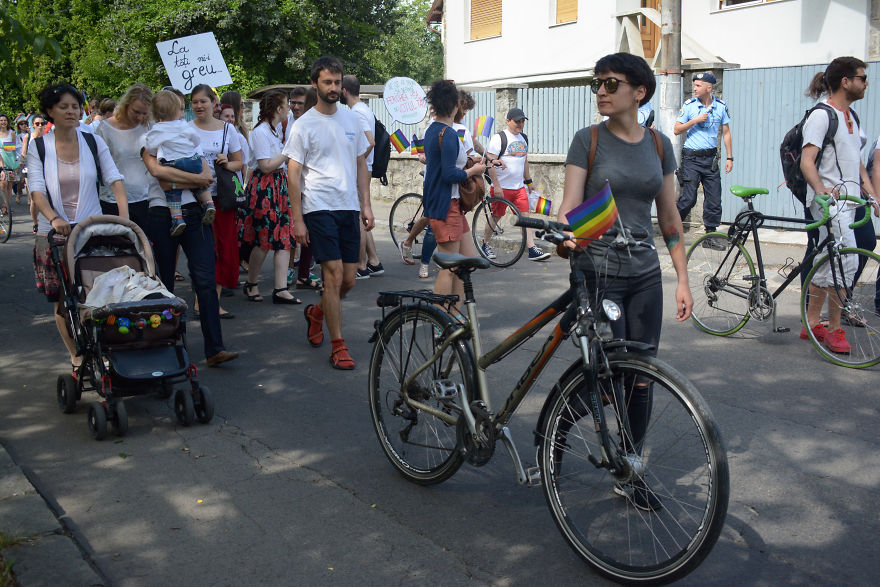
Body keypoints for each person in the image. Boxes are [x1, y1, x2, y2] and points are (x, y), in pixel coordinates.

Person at [557, 53, 692, 511]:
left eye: (611, 83)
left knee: (641, 379)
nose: (601, 91)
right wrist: (569, 233)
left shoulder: (659, 145)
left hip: (645, 276)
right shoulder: (588, 140)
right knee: (608, 376)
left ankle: (631, 471)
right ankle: (555, 432)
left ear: (639, 92)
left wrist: (682, 279)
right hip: (598, 272)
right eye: (597, 83)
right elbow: (569, 206)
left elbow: (669, 216)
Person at [28, 83, 128, 368]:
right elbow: (37, 190)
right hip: (54, 233)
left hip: (90, 229)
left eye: (75, 106)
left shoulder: (93, 142)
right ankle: (76, 353)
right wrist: (54, 218)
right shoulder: (39, 147)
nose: (71, 111)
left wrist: (124, 220)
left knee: (100, 292)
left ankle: (105, 346)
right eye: (64, 107)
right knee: (63, 300)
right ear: (50, 111)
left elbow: (115, 180)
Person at [284, 56, 374, 370]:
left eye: (337, 82)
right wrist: (297, 219)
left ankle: (317, 312)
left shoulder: (351, 119)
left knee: (349, 280)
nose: (333, 88)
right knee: (333, 275)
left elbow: (361, 163)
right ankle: (338, 346)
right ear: (315, 84)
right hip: (318, 207)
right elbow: (293, 173)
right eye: (327, 82)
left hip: (348, 207)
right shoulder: (303, 125)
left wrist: (366, 204)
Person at [141, 90, 239, 368]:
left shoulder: (186, 135)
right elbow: (159, 176)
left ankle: (215, 348)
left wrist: (183, 179)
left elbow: (206, 175)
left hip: (194, 214)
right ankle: (170, 346)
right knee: (165, 284)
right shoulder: (150, 140)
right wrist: (194, 180)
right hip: (162, 214)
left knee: (205, 280)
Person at [800, 57, 879, 353]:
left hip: (849, 200)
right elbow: (807, 161)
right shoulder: (822, 116)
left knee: (828, 262)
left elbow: (855, 163)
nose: (866, 83)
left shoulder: (850, 116)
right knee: (846, 262)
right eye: (862, 78)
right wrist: (820, 190)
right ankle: (834, 329)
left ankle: (811, 323)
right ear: (845, 81)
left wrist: (871, 194)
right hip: (828, 201)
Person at [422, 79, 486, 310]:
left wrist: (468, 162)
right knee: (449, 268)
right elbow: (449, 174)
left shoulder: (432, 129)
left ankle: (456, 315)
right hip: (446, 205)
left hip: (450, 204)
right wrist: (473, 171)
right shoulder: (447, 133)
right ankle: (440, 318)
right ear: (455, 104)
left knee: (465, 263)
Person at [240, 90, 300, 305]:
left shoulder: (274, 131)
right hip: (265, 187)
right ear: (278, 109)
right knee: (264, 240)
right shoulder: (260, 132)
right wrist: (287, 152)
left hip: (279, 185)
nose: (289, 109)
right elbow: (265, 166)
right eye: (287, 105)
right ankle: (251, 283)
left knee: (284, 237)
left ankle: (281, 289)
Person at [189, 84, 243, 318]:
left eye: (203, 101)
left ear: (214, 103)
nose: (199, 106)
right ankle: (200, 301)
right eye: (195, 102)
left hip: (221, 197)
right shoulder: (186, 129)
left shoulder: (227, 130)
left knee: (222, 248)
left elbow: (239, 162)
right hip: (193, 197)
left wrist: (226, 163)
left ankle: (213, 301)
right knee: (202, 251)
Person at [141, 90, 216, 236]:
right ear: (176, 111)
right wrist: (198, 180)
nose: (182, 113)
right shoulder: (184, 126)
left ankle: (177, 218)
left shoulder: (156, 130)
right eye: (180, 109)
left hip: (173, 164)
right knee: (200, 183)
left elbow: (152, 151)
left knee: (172, 192)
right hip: (193, 161)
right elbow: (196, 141)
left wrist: (175, 182)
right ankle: (209, 203)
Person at [485, 108, 550, 261]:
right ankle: (485, 244)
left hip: (519, 188)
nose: (520, 124)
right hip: (502, 188)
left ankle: (532, 249)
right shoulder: (499, 138)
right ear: (508, 121)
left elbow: (524, 161)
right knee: (496, 217)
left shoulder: (523, 138)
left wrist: (529, 182)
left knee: (525, 218)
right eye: (517, 121)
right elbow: (489, 163)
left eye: (522, 121)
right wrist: (496, 185)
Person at [94, 83, 161, 231]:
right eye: (136, 112)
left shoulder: (149, 125)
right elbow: (100, 167)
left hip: (147, 199)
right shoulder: (104, 129)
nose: (140, 117)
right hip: (113, 201)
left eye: (145, 113)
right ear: (126, 105)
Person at [674, 72, 733, 237]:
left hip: (711, 159)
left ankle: (710, 235)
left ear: (709, 87)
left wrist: (729, 157)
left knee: (714, 199)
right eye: (694, 85)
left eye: (698, 86)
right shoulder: (689, 106)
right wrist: (694, 121)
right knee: (689, 198)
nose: (694, 88)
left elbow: (726, 133)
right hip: (691, 158)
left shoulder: (720, 106)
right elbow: (677, 129)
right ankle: (671, 227)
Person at [341, 74, 384, 279]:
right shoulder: (363, 109)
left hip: (361, 169)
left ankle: (361, 265)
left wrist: (355, 161)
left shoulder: (357, 113)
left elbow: (370, 142)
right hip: (365, 168)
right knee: (363, 217)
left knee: (357, 218)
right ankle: (374, 261)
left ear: (344, 91)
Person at [0, 114, 20, 207]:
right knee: (3, 184)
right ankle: (4, 205)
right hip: (1, 162)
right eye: (1, 120)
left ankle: (7, 206)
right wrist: (6, 147)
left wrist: (3, 147)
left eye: (5, 120)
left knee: (9, 185)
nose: (3, 122)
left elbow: (13, 148)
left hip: (11, 162)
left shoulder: (12, 133)